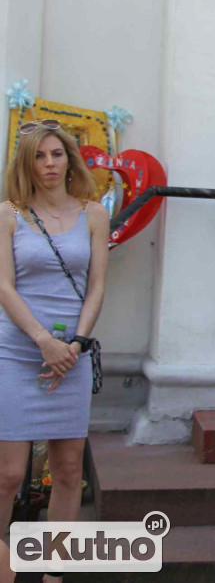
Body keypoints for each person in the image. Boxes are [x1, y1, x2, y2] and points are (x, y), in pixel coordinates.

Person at [0, 120, 109, 583]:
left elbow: (97, 286)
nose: (49, 164)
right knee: (8, 474)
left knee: (68, 470)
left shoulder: (95, 214)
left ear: (70, 159)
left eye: (57, 154)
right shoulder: (9, 214)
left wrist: (74, 344)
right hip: (17, 352)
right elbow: (3, 286)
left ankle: (54, 574)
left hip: (73, 355)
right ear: (27, 163)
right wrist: (44, 342)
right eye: (39, 156)